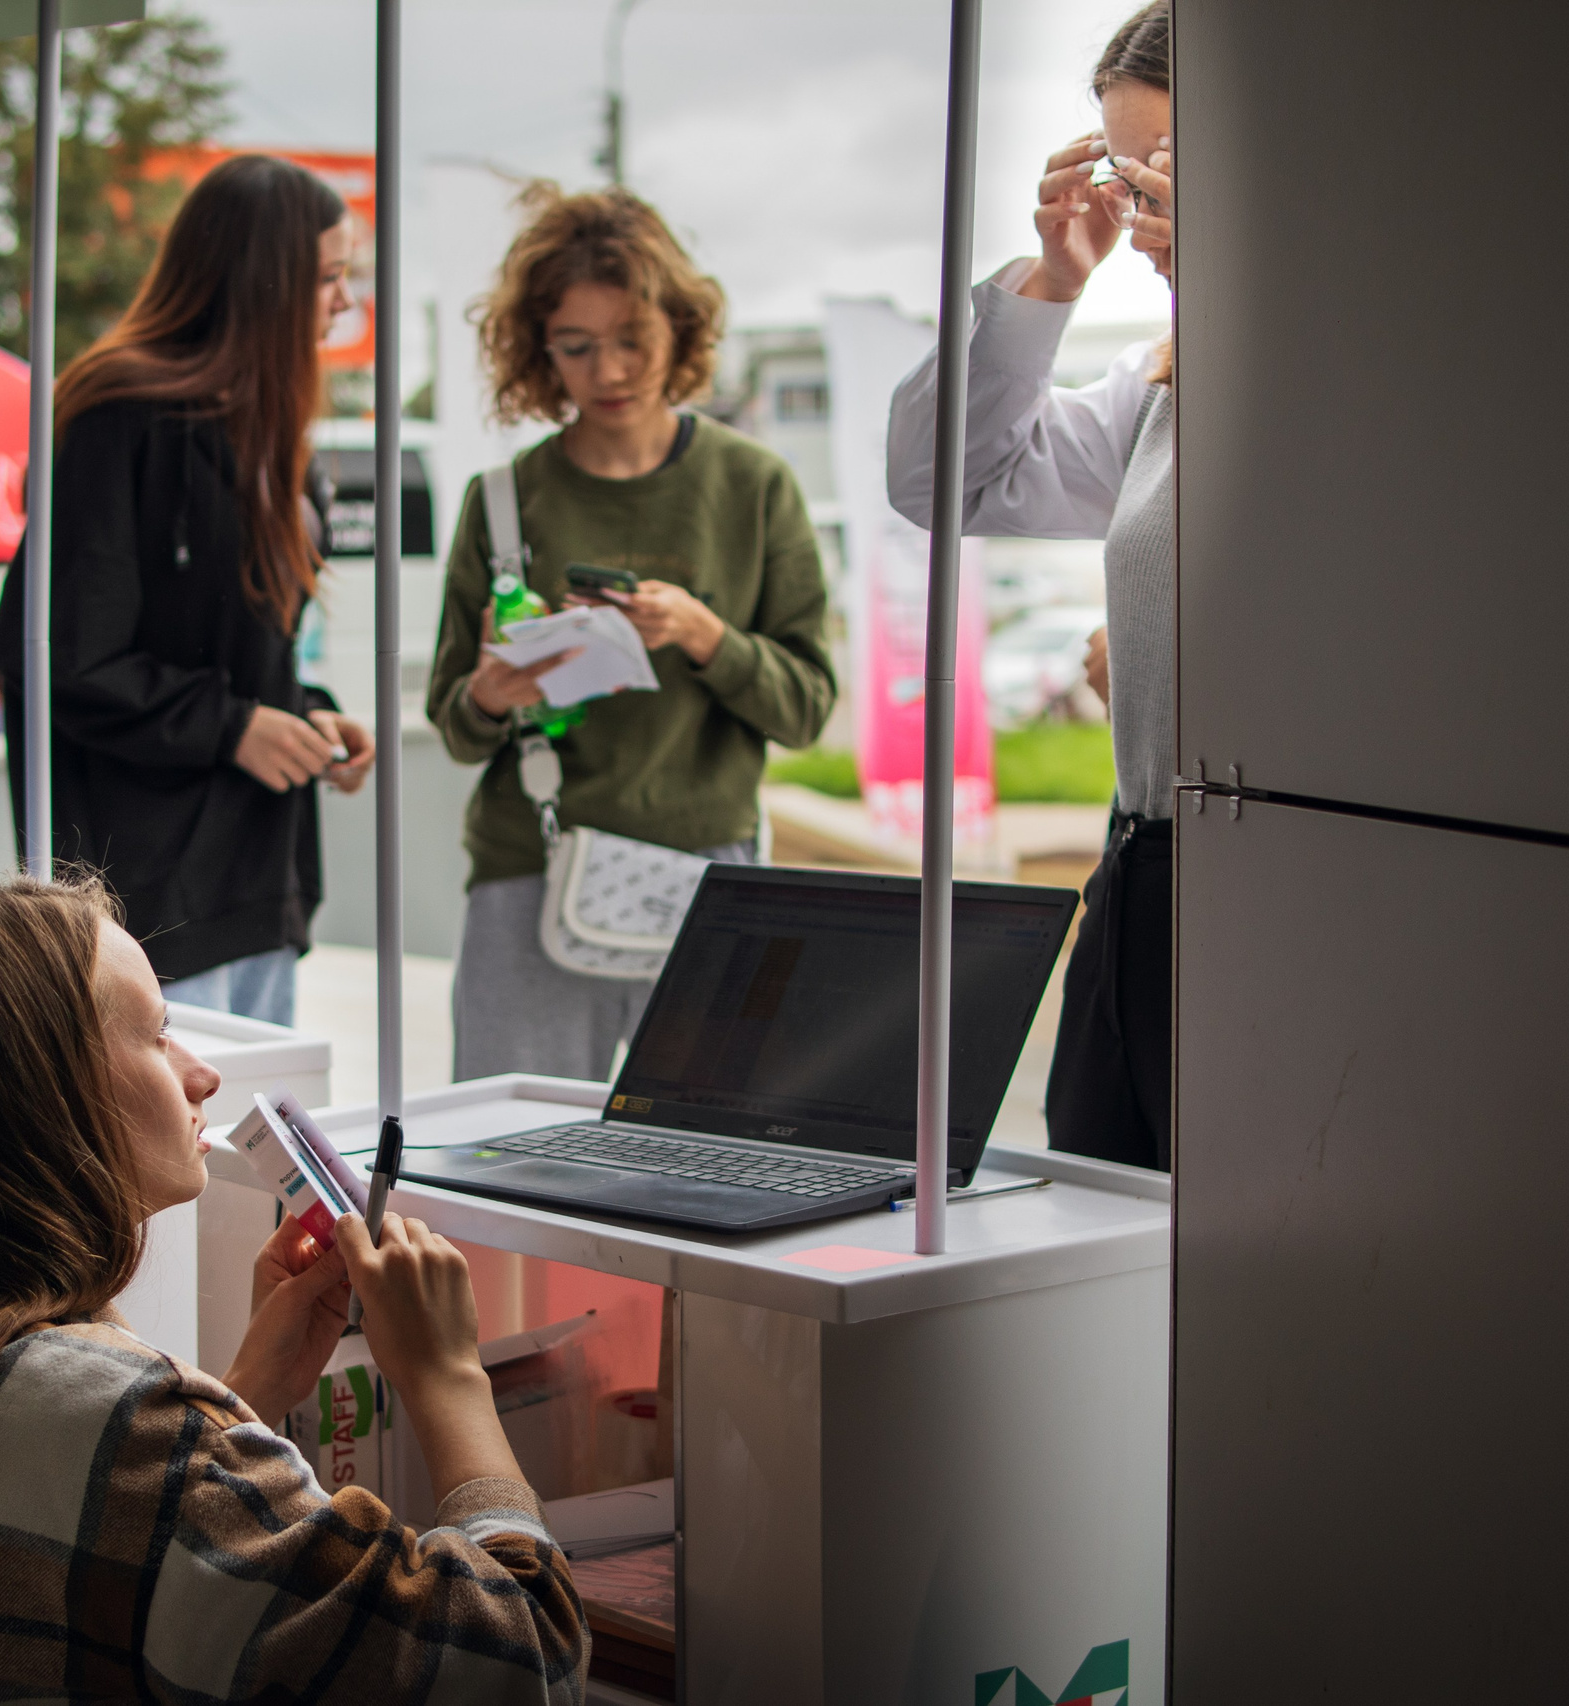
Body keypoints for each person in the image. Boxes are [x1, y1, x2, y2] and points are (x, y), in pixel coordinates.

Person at [0, 879, 588, 1703]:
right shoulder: (143, 1438)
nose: (202, 1076)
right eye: (158, 1035)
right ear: (44, 1093)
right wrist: (447, 1377)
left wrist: (247, 1396)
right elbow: (526, 1663)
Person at [429, 185, 835, 1081]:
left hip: (707, 874)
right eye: (575, 347)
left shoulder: (754, 485)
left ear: (680, 334)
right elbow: (453, 724)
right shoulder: (503, 501)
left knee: (707, 1170)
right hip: (530, 866)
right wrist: (493, 691)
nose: (607, 371)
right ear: (539, 354)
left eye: (632, 342)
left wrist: (703, 633)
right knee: (511, 1166)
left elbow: (807, 707)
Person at [885, 0, 1176, 1173]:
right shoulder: (1156, 384)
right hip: (1142, 871)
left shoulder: (1365, 362)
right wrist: (1052, 278)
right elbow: (947, 480)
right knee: (1099, 1203)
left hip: (1268, 880)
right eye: (1125, 172)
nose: (1139, 210)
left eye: (1162, 174)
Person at [0, 155, 373, 1028]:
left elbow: (219, 648)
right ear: (263, 282)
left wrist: (301, 715)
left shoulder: (274, 438)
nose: (344, 304)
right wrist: (236, 726)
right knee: (179, 1155)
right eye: (327, 278)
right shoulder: (120, 418)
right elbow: (55, 650)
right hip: (150, 898)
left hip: (258, 878)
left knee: (252, 1152)